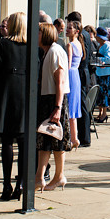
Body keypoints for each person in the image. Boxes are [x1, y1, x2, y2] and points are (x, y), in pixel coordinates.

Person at [0, 12, 29, 200]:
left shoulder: (3, 43)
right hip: (24, 94)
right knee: (22, 141)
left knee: (7, 141)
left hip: (6, 92)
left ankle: (6, 184)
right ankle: (20, 183)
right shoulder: (31, 46)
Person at [36, 23, 71, 191]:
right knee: (45, 140)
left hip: (54, 100)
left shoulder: (55, 51)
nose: (36, 35)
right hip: (48, 99)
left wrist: (57, 107)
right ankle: (40, 177)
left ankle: (58, 176)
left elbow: (60, 81)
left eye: (39, 32)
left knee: (56, 139)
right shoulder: (47, 52)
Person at [67, 12, 94, 147]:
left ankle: (83, 137)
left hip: (79, 72)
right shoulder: (86, 35)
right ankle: (82, 136)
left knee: (80, 106)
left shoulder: (80, 36)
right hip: (83, 72)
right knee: (81, 105)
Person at [65, 19, 84, 148]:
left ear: (76, 31)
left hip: (71, 74)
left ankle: (72, 138)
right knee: (73, 107)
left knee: (69, 106)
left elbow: (68, 63)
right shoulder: (79, 44)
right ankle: (74, 137)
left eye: (69, 28)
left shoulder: (70, 44)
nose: (67, 30)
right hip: (76, 75)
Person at [94, 27, 110, 123]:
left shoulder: (107, 46)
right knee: (99, 94)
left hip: (105, 74)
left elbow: (108, 59)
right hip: (99, 72)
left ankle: (104, 114)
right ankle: (100, 112)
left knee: (105, 93)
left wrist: (98, 59)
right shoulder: (99, 45)